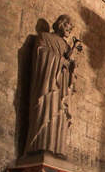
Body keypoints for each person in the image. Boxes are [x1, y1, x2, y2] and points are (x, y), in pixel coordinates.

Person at [25, 14, 82, 158]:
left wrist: (72, 66)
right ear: (61, 24)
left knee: (60, 114)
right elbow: (41, 55)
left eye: (71, 28)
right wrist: (60, 61)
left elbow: (70, 67)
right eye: (68, 25)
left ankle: (57, 150)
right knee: (47, 111)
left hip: (62, 86)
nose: (70, 29)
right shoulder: (45, 37)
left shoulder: (67, 46)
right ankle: (41, 147)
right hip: (49, 85)